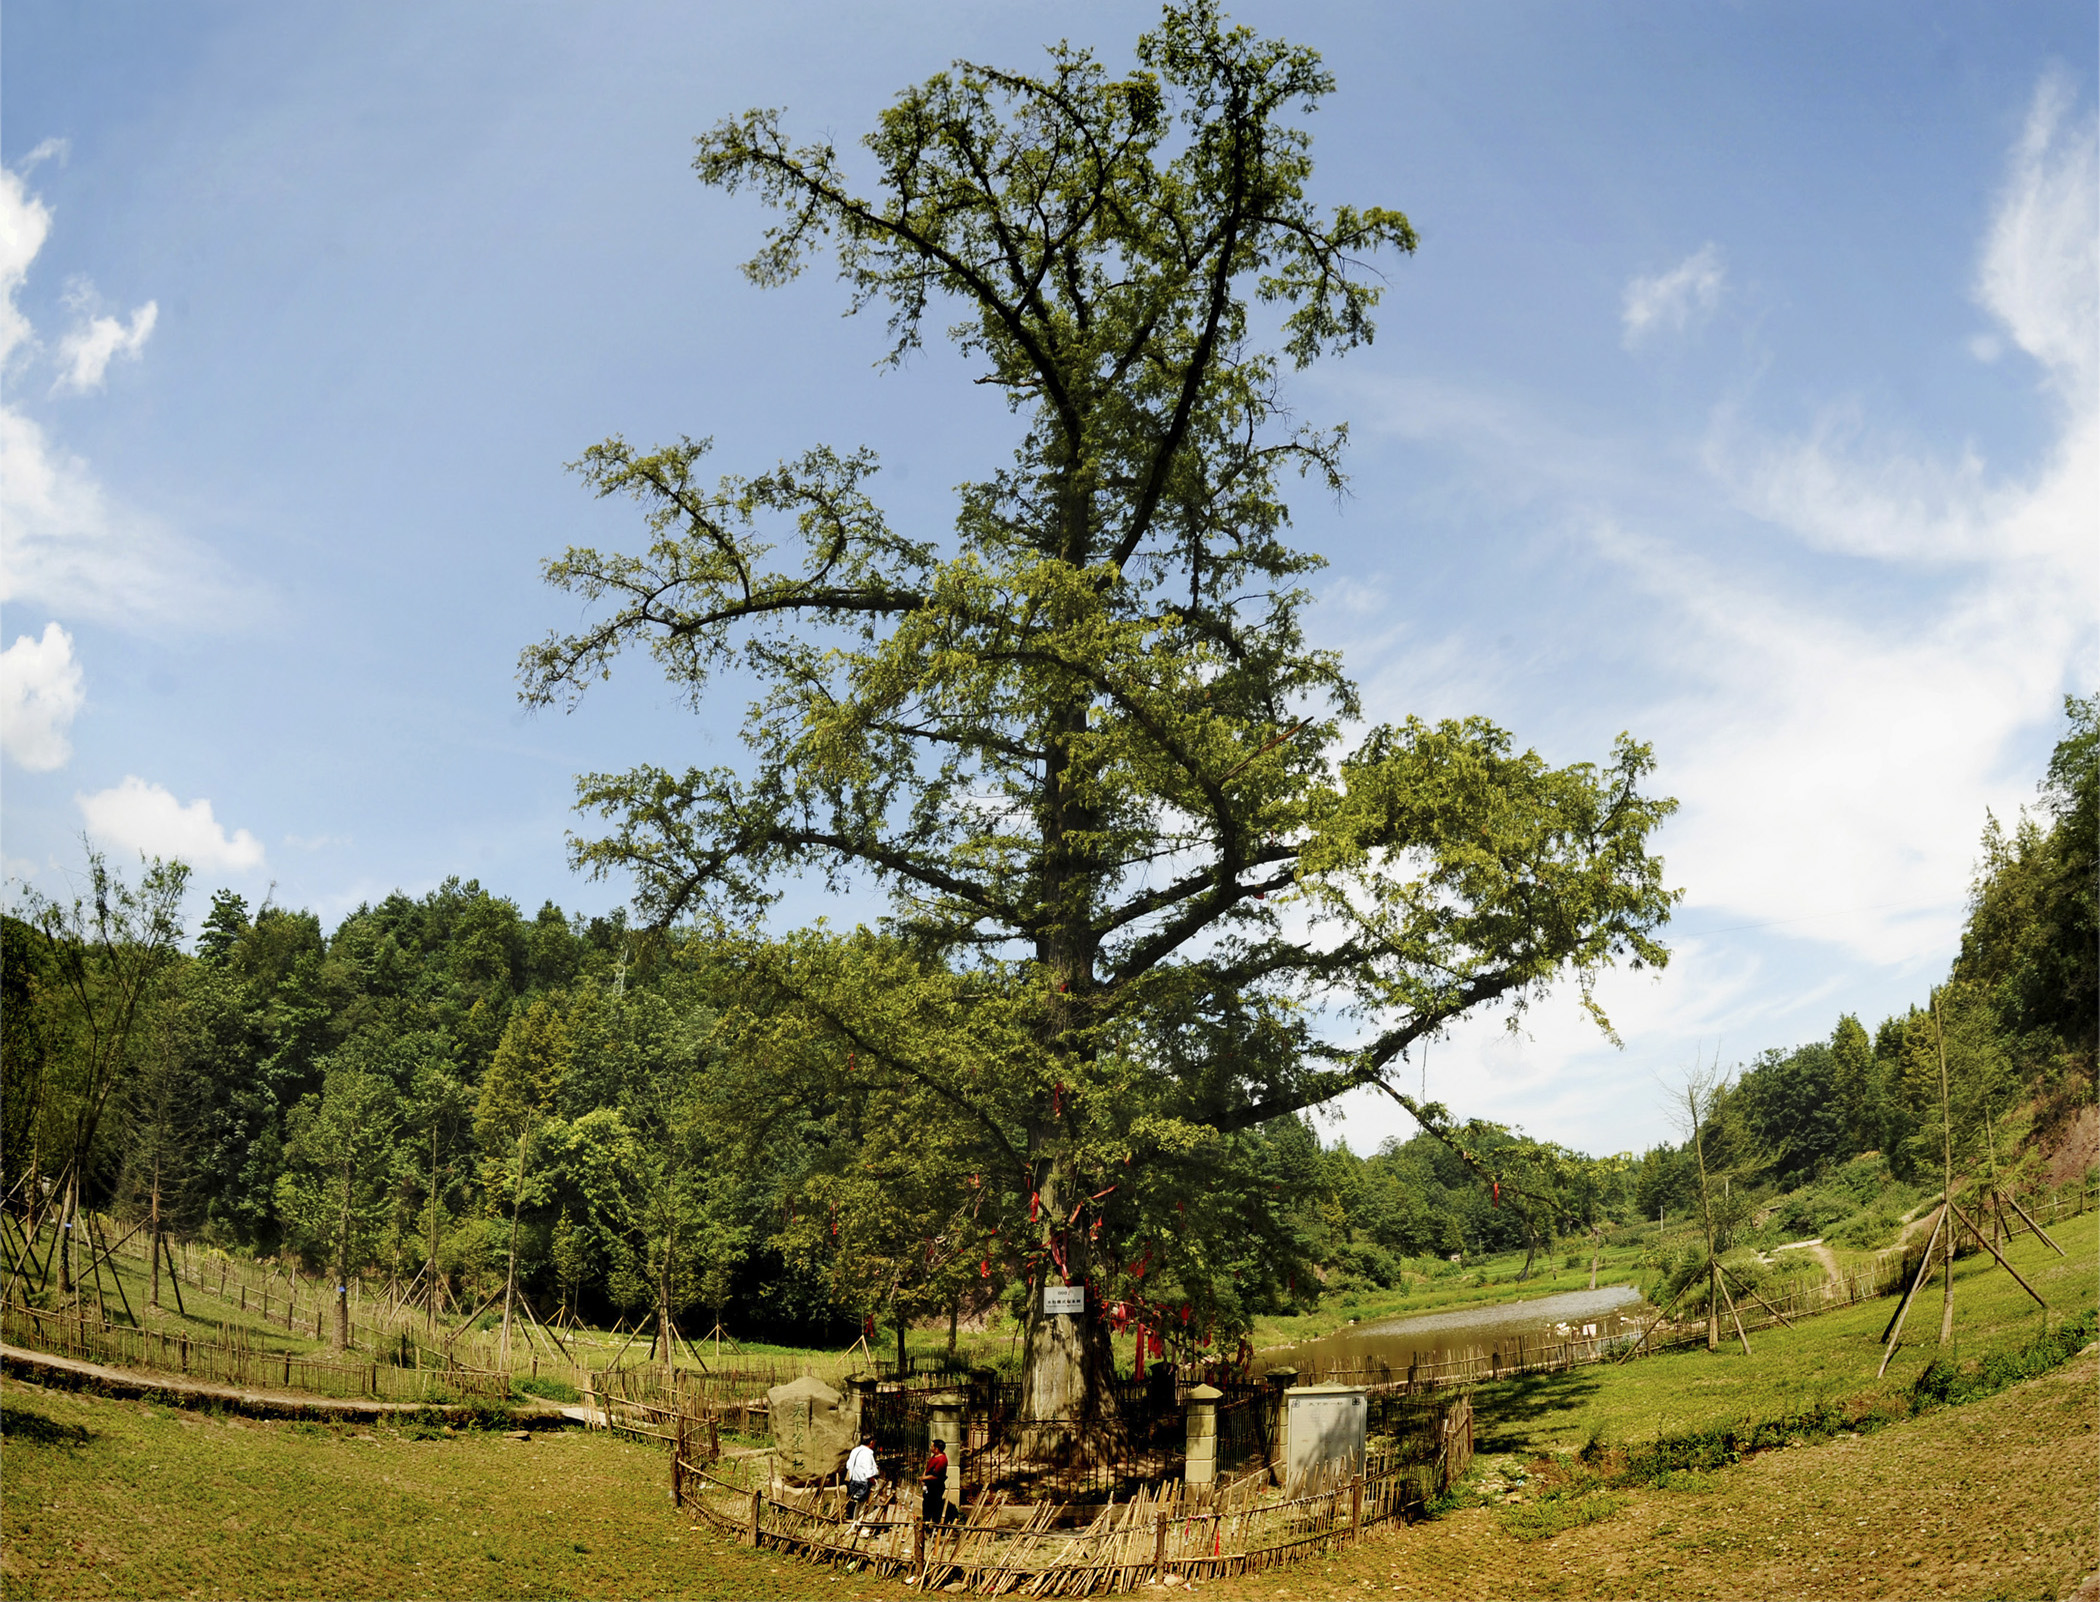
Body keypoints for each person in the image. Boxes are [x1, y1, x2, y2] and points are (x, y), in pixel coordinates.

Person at [845, 1434, 879, 1522]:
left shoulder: (855, 1451)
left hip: (854, 1481)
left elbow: (848, 1465)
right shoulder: (867, 1454)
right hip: (864, 1482)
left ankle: (855, 1523)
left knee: (859, 1504)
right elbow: (868, 1474)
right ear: (871, 1442)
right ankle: (865, 1528)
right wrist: (875, 1482)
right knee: (869, 1505)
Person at [921, 1438, 950, 1525]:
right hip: (928, 1485)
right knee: (926, 1504)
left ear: (936, 1449)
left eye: (932, 1446)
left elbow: (936, 1476)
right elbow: (927, 1468)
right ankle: (925, 1523)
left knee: (934, 1506)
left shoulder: (942, 1460)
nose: (930, 1447)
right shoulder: (934, 1457)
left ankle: (934, 1524)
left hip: (936, 1487)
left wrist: (925, 1478)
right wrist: (923, 1477)